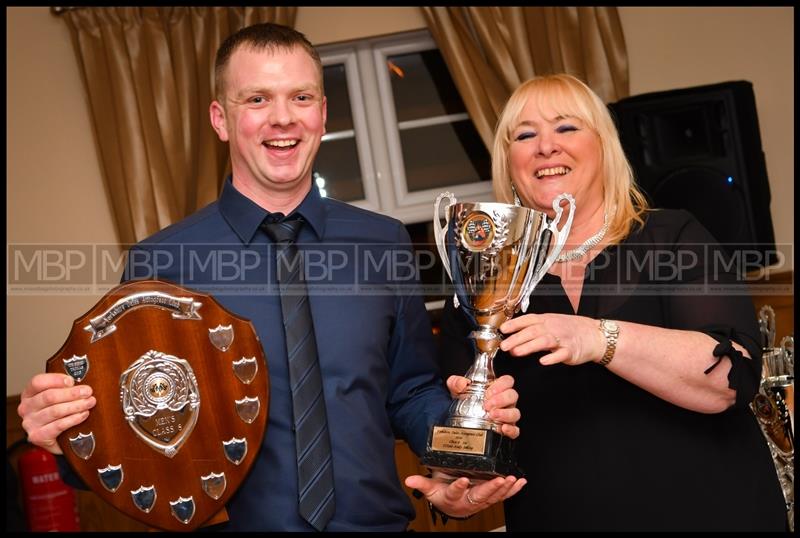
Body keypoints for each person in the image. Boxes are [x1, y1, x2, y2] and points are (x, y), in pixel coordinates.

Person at [16, 23, 527, 531]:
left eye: (300, 97)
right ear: (220, 119)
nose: (283, 118)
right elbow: (130, 437)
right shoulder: (161, 263)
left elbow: (410, 391)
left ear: (322, 114)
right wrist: (59, 435)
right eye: (257, 99)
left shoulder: (384, 243)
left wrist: (460, 451)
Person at [437, 74, 787, 531]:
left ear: (603, 146)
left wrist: (596, 337)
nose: (546, 147)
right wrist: (453, 490)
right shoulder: (484, 274)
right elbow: (458, 424)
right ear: (509, 161)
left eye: (566, 127)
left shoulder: (672, 238)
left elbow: (728, 381)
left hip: (715, 514)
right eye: (525, 134)